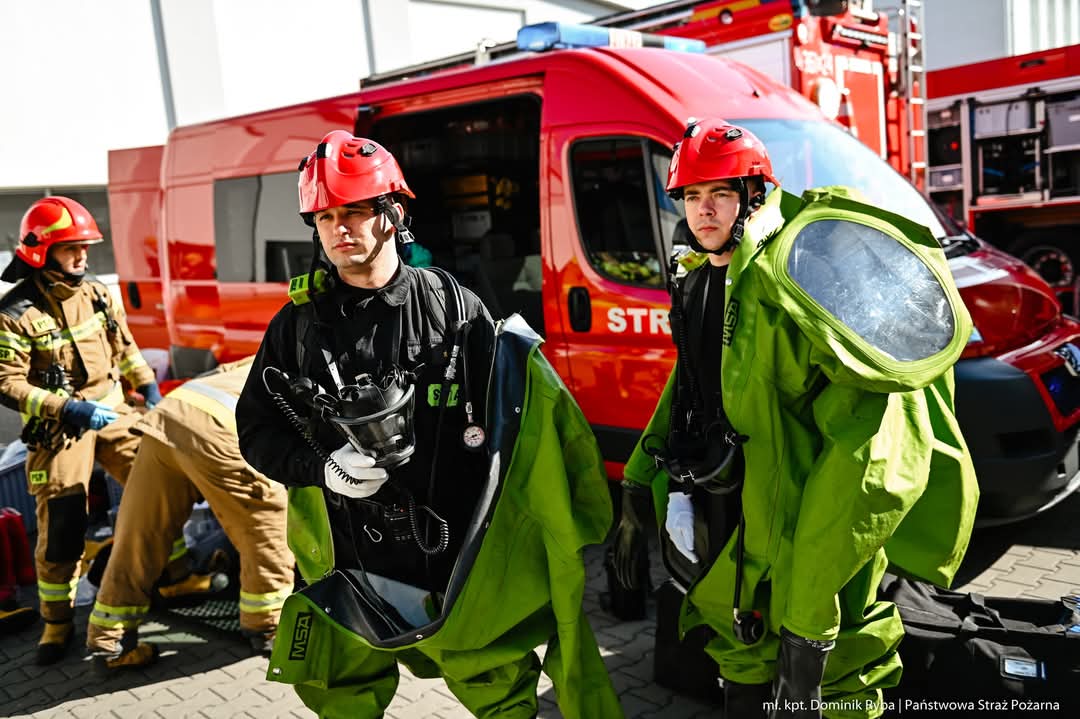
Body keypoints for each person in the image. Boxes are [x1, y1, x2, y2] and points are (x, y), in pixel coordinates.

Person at [236, 130, 620, 718]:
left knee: (498, 685)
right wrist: (324, 469)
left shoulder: (454, 308)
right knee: (343, 695)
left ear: (393, 215)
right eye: (326, 217)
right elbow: (257, 432)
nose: (341, 230)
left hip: (455, 552)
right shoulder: (296, 329)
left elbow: (514, 425)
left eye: (358, 211)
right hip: (347, 554)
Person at [611, 120, 979, 719]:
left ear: (753, 197)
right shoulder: (705, 278)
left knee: (841, 689)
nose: (704, 213)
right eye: (691, 197)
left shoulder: (806, 282)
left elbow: (868, 465)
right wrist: (636, 481)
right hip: (731, 530)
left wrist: (809, 631)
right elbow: (695, 384)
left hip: (810, 551)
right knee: (743, 664)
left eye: (721, 195)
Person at [0, 196, 164, 665]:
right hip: (61, 428)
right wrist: (66, 408)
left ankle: (171, 574)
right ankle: (56, 623)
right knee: (63, 523)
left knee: (159, 485)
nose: (82, 257)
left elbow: (125, 344)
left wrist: (148, 389)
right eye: (71, 248)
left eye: (85, 247)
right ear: (42, 252)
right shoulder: (15, 313)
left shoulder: (96, 293)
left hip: (113, 411)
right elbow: (6, 382)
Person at [85, 356, 295, 672]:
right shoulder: (331, 370)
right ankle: (269, 627)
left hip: (171, 414)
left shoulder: (276, 346)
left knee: (139, 535)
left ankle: (109, 641)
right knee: (266, 524)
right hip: (221, 429)